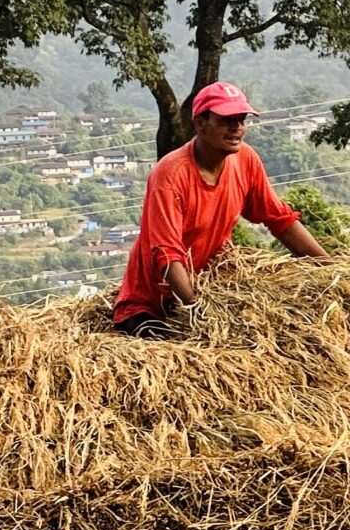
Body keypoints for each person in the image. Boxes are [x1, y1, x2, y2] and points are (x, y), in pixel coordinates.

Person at [111, 82, 330, 338]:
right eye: (226, 120)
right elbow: (167, 255)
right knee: (189, 354)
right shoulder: (170, 175)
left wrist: (331, 268)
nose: (236, 127)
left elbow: (280, 219)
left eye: (241, 119)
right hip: (151, 306)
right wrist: (198, 311)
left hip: (208, 289)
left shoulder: (245, 159)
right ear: (200, 123)